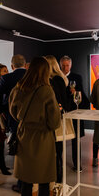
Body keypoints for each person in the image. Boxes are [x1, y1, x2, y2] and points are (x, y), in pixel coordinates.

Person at [9, 57, 61, 196]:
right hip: (42, 139)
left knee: (26, 183)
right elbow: (54, 122)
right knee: (44, 182)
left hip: (24, 136)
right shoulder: (47, 90)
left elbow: (13, 112)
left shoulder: (18, 88)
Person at [0, 55, 28, 192]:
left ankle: (21, 182)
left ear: (12, 66)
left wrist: (3, 111)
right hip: (30, 118)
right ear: (25, 65)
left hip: (13, 118)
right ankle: (28, 181)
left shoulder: (6, 78)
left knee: (18, 149)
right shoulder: (32, 76)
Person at [60, 55, 90, 171]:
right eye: (63, 65)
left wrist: (75, 92)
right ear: (60, 65)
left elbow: (81, 94)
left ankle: (77, 165)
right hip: (61, 113)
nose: (65, 68)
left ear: (71, 65)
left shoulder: (77, 77)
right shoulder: (57, 77)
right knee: (59, 139)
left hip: (74, 111)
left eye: (67, 65)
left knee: (76, 139)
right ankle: (59, 165)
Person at [45, 55, 72, 186]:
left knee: (55, 149)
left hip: (54, 118)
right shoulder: (59, 79)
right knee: (57, 150)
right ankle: (56, 178)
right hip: (56, 117)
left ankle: (56, 178)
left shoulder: (54, 80)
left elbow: (61, 101)